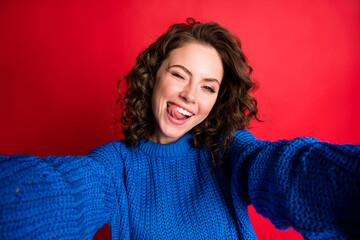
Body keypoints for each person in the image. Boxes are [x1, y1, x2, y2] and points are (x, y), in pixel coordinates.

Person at [0, 18, 359, 240]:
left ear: (217, 99)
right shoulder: (115, 166)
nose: (189, 95)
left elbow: (284, 172)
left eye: (207, 86)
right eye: (178, 75)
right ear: (153, 75)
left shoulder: (229, 150)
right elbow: (66, 192)